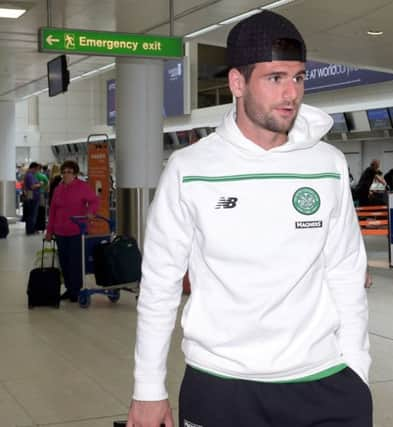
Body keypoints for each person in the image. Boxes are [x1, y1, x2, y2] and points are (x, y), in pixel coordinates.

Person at [127, 10, 371, 427]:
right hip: (222, 386)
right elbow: (159, 285)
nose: (291, 92)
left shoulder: (327, 163)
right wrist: (148, 389)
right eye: (275, 78)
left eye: (298, 77)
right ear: (237, 82)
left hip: (325, 382)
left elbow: (347, 273)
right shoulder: (190, 169)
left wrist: (358, 371)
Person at [45, 160, 99, 302]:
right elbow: (52, 211)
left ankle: (76, 290)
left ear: (75, 173)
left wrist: (90, 212)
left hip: (77, 231)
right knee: (64, 262)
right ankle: (69, 289)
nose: (66, 175)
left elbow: (94, 201)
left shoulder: (82, 187)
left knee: (75, 262)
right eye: (64, 172)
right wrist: (49, 230)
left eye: (69, 172)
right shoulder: (58, 189)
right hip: (60, 231)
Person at [22, 162, 42, 235]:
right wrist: (40, 184)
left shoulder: (30, 175)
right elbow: (32, 186)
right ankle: (31, 230)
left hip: (31, 196)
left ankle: (30, 229)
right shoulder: (30, 176)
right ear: (33, 168)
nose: (37, 171)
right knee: (32, 214)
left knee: (31, 214)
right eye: (36, 169)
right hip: (33, 197)